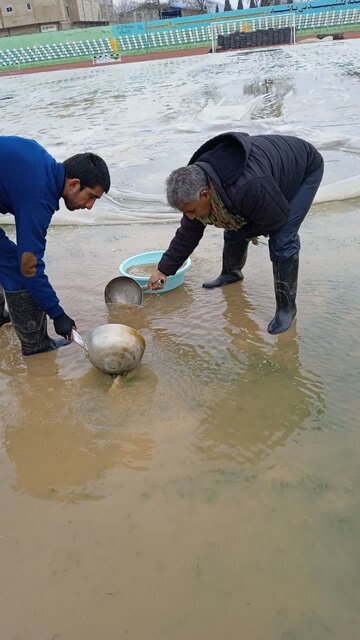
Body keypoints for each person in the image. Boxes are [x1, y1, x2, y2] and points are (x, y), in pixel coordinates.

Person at [147, 132, 324, 334]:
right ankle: (231, 273)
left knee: (283, 239)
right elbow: (188, 233)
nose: (191, 216)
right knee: (233, 223)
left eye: (191, 211)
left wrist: (241, 229)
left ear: (205, 194)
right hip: (265, 172)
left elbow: (276, 220)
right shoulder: (197, 186)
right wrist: (164, 270)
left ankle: (286, 309)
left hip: (304, 168)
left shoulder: (248, 187)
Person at [0, 136, 110, 356]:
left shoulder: (41, 161)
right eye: (91, 197)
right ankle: (36, 344)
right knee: (14, 265)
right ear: (74, 184)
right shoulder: (39, 195)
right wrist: (57, 314)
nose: (89, 206)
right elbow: (29, 267)